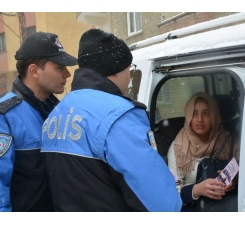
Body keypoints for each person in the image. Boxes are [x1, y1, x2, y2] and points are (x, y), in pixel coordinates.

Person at [41, 29, 182, 212]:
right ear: (115, 71)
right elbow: (161, 202)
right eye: (129, 69)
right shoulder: (117, 116)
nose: (130, 77)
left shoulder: (56, 114)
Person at [0, 32, 78, 212]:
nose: (67, 74)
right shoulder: (5, 117)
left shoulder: (63, 112)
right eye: (59, 68)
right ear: (34, 71)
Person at [167, 92, 239, 211]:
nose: (200, 119)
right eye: (194, 114)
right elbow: (171, 193)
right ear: (188, 116)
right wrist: (197, 190)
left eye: (206, 113)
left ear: (214, 115)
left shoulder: (231, 142)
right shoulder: (178, 147)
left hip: (226, 201)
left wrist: (235, 182)